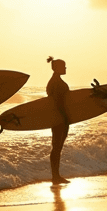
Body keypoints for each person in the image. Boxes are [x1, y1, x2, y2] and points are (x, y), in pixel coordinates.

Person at [46, 56, 71, 185]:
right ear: (56, 68)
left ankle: (56, 175)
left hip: (58, 118)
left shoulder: (55, 81)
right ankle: (55, 176)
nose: (66, 68)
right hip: (59, 119)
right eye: (63, 66)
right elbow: (57, 102)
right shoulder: (56, 82)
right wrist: (65, 117)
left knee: (57, 147)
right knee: (56, 147)